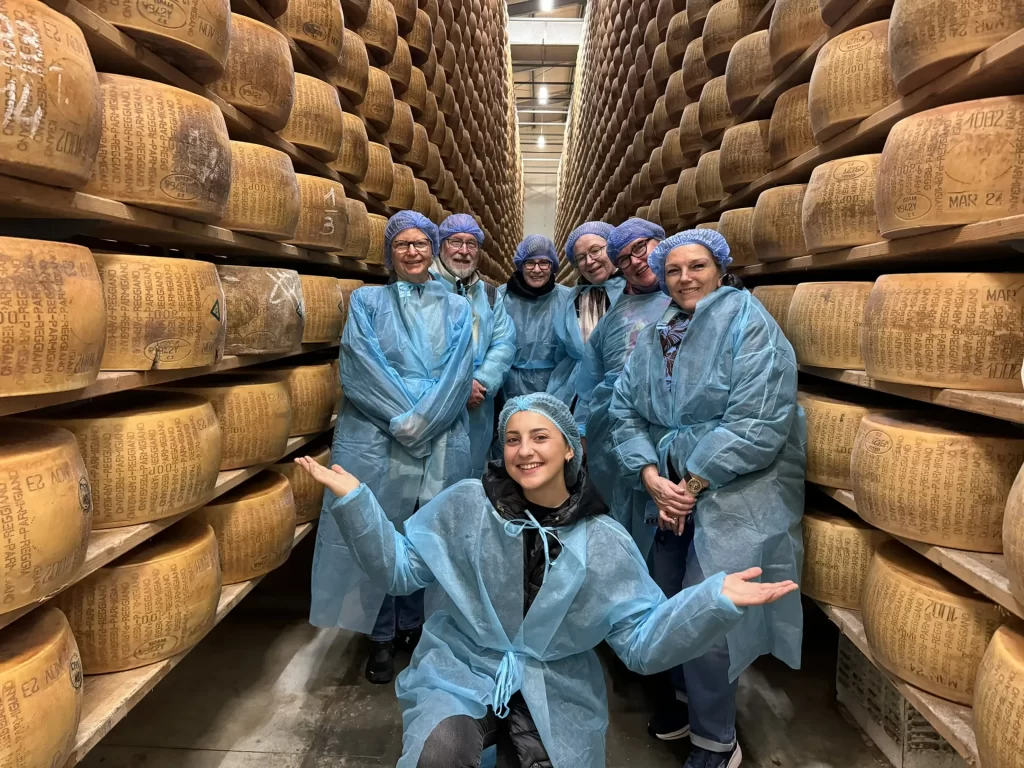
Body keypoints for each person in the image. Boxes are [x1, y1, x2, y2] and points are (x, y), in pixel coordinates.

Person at [294, 392, 799, 768]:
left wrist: (711, 601)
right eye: (512, 439)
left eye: (540, 437)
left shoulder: (603, 539)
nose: (525, 451)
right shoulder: (470, 505)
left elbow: (640, 643)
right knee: (440, 753)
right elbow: (402, 570)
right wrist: (357, 503)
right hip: (462, 669)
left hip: (554, 685)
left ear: (570, 449)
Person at [608, 229, 806, 768]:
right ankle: (680, 703)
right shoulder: (657, 332)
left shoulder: (748, 323)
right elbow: (624, 410)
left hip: (734, 495)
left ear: (719, 269)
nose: (685, 278)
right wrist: (649, 474)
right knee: (665, 599)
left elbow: (758, 422)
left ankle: (717, 738)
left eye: (696, 267)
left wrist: (691, 485)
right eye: (674, 270)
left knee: (709, 611)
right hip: (670, 491)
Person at [309, 210, 475, 685]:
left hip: (440, 431)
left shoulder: (458, 308)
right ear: (389, 252)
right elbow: (361, 367)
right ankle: (380, 636)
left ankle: (417, 627)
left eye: (421, 243)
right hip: (376, 437)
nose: (412, 252)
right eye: (402, 244)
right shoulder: (366, 302)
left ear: (434, 249)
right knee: (377, 531)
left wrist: (423, 421)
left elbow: (457, 374)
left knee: (430, 532)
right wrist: (408, 420)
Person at [575, 218, 670, 531]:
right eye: (624, 259)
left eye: (640, 248)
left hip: (674, 431)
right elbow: (590, 380)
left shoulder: (693, 296)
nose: (636, 262)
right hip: (618, 428)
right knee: (626, 520)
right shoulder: (615, 316)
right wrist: (584, 432)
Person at [431, 214, 516, 477]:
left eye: (472, 244)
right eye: (455, 242)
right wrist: (458, 387)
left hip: (479, 402)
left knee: (471, 471)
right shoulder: (423, 286)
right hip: (435, 400)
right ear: (440, 245)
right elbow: (415, 349)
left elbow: (504, 342)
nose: (464, 251)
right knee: (433, 479)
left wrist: (482, 381)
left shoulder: (489, 294)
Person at [546, 221, 626, 409]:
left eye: (596, 250)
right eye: (581, 257)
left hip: (623, 392)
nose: (589, 261)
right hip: (573, 394)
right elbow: (561, 352)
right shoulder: (573, 298)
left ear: (613, 249)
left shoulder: (632, 293)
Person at [499, 235, 569, 399]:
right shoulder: (500, 296)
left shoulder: (567, 298)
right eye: (530, 263)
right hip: (507, 386)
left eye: (544, 263)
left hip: (555, 386)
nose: (537, 270)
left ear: (553, 266)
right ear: (520, 265)